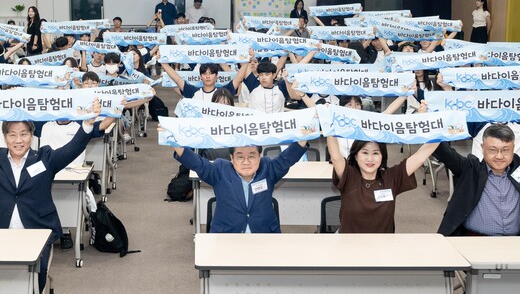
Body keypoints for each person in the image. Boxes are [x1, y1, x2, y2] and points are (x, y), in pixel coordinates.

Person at [0, 100, 102, 292]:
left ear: (32, 136)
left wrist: (88, 124)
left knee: (34, 284)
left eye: (24, 134)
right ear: (5, 137)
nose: (18, 140)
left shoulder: (45, 158)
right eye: (12, 135)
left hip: (37, 230)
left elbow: (71, 149)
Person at [320, 97, 439, 233]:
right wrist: (328, 121)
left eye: (376, 153)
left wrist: (434, 122)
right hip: (349, 246)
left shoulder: (391, 177)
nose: (370, 159)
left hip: (384, 247)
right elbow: (335, 156)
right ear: (356, 155)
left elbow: (419, 157)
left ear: (382, 157)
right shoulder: (349, 175)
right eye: (365, 152)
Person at [169, 140, 308, 233]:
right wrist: (172, 140)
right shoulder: (220, 170)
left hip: (264, 236)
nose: (246, 162)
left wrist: (307, 132)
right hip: (226, 237)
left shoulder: (268, 168)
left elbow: (288, 157)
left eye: (252, 156)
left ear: (259, 156)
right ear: (232, 158)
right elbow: (196, 163)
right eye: (240, 157)